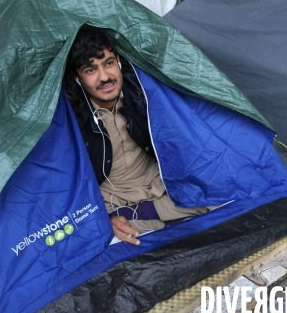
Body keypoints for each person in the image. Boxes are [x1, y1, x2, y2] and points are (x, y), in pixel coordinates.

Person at [64, 27, 208, 246]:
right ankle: (159, 222)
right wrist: (104, 219)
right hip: (114, 202)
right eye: (90, 70)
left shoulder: (141, 91)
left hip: (160, 187)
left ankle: (149, 216)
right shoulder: (73, 116)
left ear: (119, 61)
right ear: (77, 77)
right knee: (104, 238)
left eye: (109, 63)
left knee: (214, 196)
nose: (105, 77)